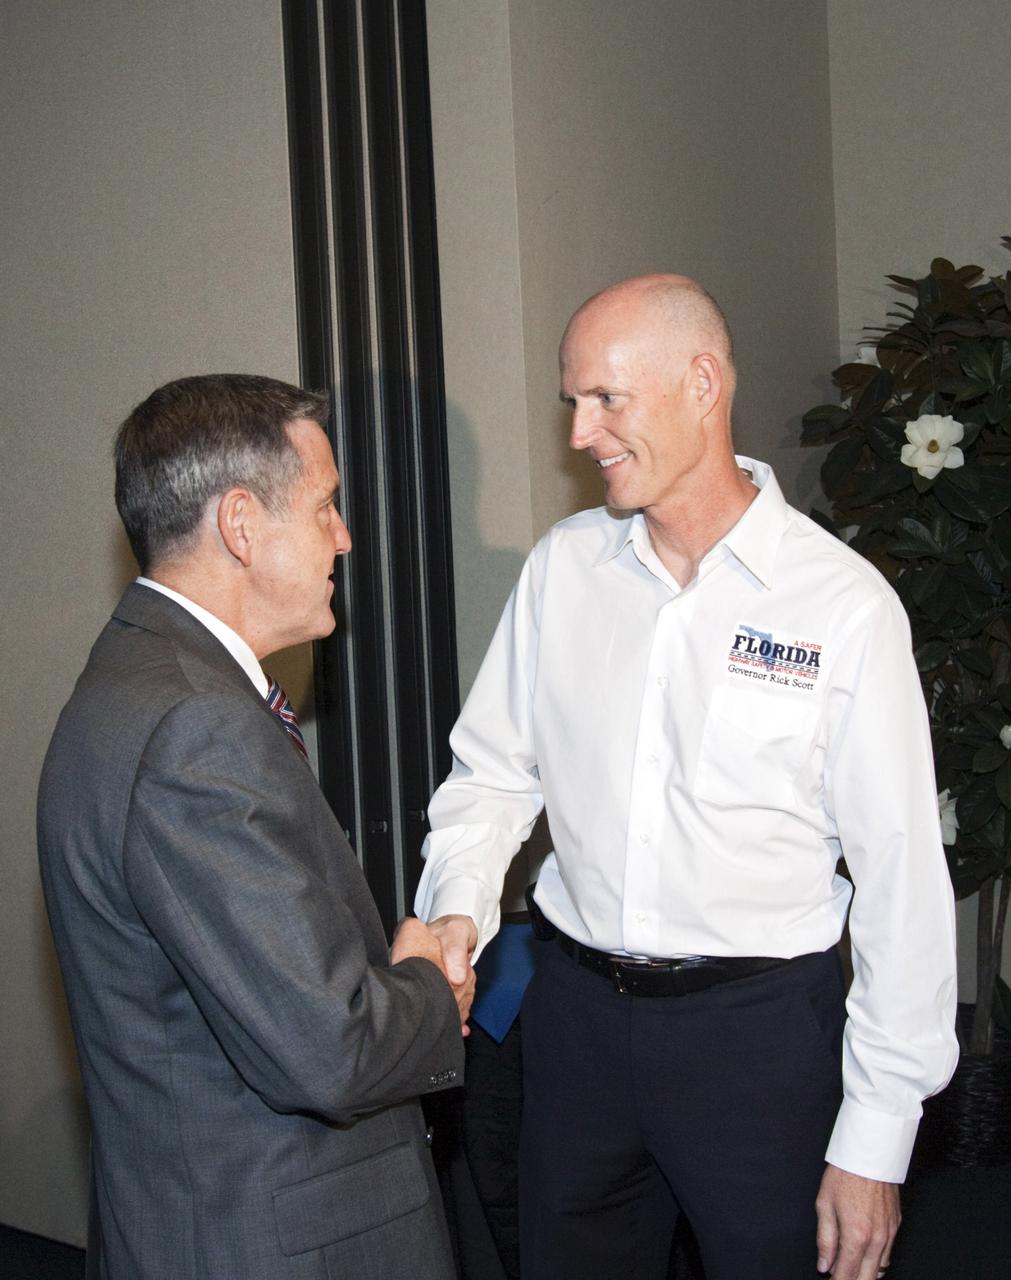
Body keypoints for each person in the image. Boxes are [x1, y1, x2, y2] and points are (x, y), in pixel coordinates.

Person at [415, 276, 959, 1280]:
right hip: (575, 1022)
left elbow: (899, 885)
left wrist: (876, 1133)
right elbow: (491, 775)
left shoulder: (842, 605)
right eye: (572, 402)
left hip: (758, 1039)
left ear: (702, 383)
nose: (581, 432)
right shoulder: (562, 573)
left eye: (605, 399)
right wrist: (457, 906)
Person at [38, 373, 474, 1280]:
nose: (344, 539)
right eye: (325, 507)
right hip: (271, 1242)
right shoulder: (196, 728)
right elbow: (329, 1052)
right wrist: (429, 985)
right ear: (240, 524)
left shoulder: (132, 676)